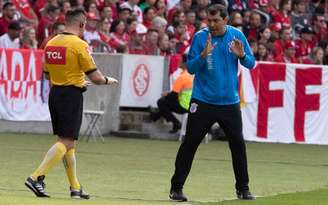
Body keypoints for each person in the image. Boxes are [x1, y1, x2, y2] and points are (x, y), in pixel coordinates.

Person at [24, 8, 118, 199]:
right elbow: (97, 78)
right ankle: (35, 177)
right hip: (71, 96)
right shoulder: (79, 45)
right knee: (66, 141)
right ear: (82, 24)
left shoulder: (50, 43)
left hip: (55, 94)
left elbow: (48, 75)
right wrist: (109, 80)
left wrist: (74, 80)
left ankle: (75, 187)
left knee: (68, 143)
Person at [169, 4, 255, 202]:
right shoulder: (200, 37)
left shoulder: (237, 36)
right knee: (189, 144)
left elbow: (251, 63)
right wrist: (202, 55)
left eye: (216, 20)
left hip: (229, 103)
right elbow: (190, 69)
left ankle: (243, 188)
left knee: (238, 145)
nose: (212, 24)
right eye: (209, 20)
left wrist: (241, 55)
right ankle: (176, 189)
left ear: (226, 20)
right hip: (203, 101)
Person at [150, 54, 193, 133]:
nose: (178, 62)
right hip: (192, 105)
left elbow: (173, 96)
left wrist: (166, 95)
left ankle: (175, 123)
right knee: (165, 103)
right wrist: (169, 93)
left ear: (184, 63)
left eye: (180, 61)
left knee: (161, 102)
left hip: (184, 105)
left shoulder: (182, 77)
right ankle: (155, 116)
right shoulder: (192, 75)